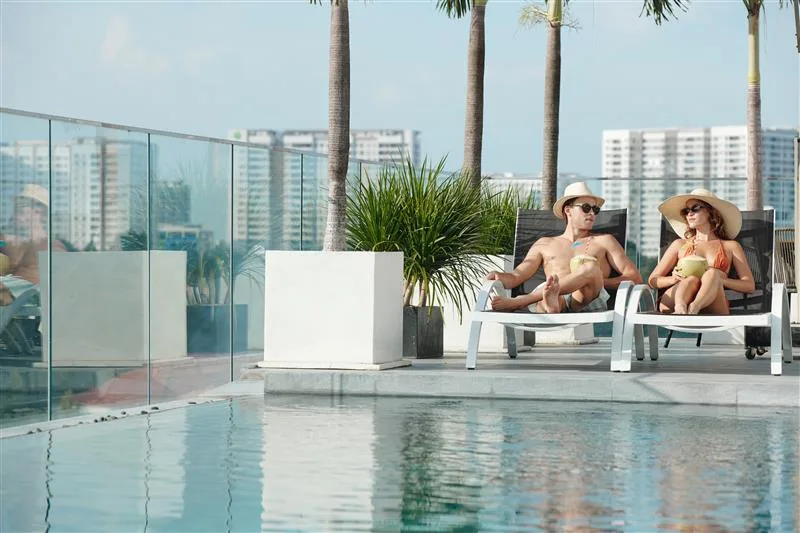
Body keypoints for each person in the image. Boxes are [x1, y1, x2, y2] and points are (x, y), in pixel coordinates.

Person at [486, 182, 643, 313]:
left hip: (585, 297)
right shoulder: (545, 243)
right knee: (550, 291)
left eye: (595, 210)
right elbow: (516, 278)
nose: (592, 214)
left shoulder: (604, 241)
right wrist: (499, 276)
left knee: (589, 267)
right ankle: (552, 304)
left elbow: (634, 277)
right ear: (568, 210)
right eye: (586, 208)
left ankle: (524, 301)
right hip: (549, 296)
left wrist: (594, 279)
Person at [647, 188, 755, 315]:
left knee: (712, 274)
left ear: (711, 212)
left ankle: (694, 308)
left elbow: (749, 285)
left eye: (695, 208)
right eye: (686, 211)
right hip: (676, 300)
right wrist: (673, 279)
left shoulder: (730, 247)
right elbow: (653, 280)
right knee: (691, 280)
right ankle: (681, 308)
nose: (689, 214)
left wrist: (720, 280)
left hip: (711, 304)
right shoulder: (679, 244)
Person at [0, 184, 66, 306]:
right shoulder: (17, 243)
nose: (15, 213)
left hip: (25, 315)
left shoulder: (52, 249)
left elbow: (35, 293)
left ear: (39, 212)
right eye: (15, 208)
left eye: (21, 208)